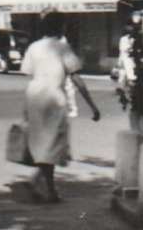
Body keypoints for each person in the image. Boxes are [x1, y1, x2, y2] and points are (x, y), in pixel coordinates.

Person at [19, 12, 100, 202]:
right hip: (54, 97)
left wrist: (25, 108)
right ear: (60, 27)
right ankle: (40, 181)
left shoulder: (33, 47)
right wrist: (92, 105)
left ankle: (48, 188)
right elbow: (76, 78)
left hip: (34, 96)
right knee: (55, 142)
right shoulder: (63, 48)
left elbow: (29, 74)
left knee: (43, 143)